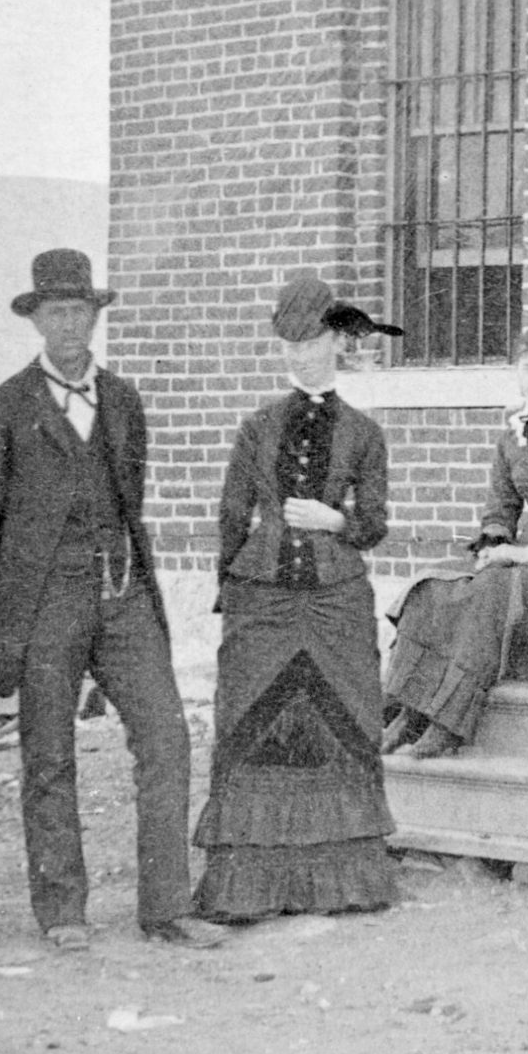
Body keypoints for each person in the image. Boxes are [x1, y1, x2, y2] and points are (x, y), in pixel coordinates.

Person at [0, 249, 220, 951]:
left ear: (96, 318)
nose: (70, 325)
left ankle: (165, 907)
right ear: (37, 321)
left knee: (166, 735)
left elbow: (128, 495)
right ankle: (62, 911)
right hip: (46, 604)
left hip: (125, 594)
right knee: (49, 754)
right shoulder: (2, 411)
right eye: (56, 313)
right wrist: (25, 591)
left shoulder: (124, 400)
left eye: (81, 311)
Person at [189, 275, 403, 921]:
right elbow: (231, 513)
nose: (301, 355)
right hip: (265, 596)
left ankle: (343, 882)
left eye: (311, 342)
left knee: (343, 717)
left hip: (336, 596)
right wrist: (228, 589)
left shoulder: (364, 434)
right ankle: (249, 887)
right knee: (251, 718)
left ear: (336, 341)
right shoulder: (257, 427)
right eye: (290, 345)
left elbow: (374, 522)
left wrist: (335, 523)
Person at [381, 326, 528, 758]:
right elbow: (500, 510)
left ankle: (447, 720)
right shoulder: (511, 435)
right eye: (527, 368)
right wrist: (494, 545)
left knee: (494, 589)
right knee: (434, 584)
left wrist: (527, 553)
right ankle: (407, 711)